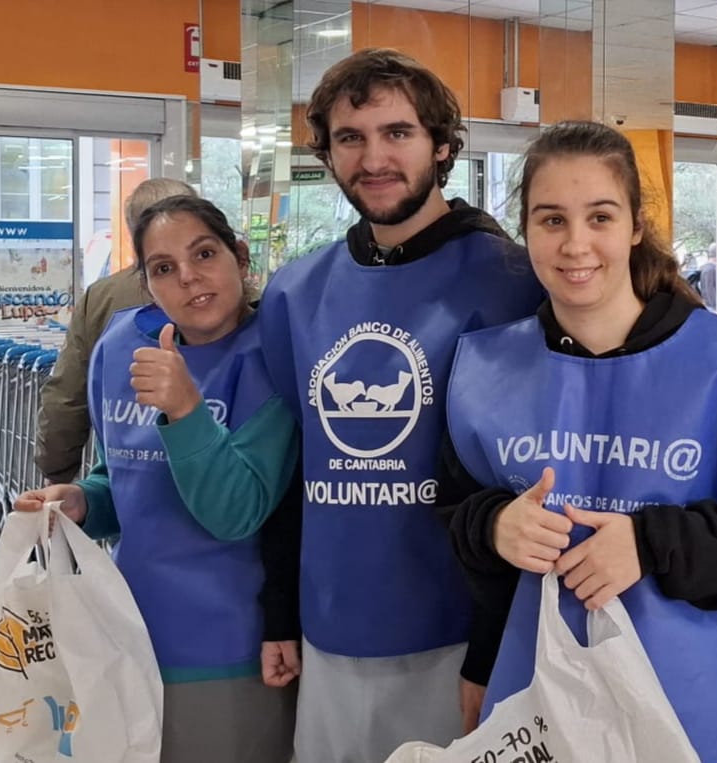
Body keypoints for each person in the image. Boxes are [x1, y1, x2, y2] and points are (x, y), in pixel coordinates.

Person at [438, 121, 717, 763]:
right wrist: (496, 526)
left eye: (600, 217)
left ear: (635, 226)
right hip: (541, 702)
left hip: (701, 700)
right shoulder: (484, 371)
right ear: (525, 230)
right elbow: (456, 510)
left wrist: (650, 544)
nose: (576, 244)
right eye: (551, 219)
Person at [258, 47, 545, 763]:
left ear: (441, 146)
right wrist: (281, 614)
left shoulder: (515, 282)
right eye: (350, 138)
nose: (373, 157)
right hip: (329, 632)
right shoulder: (297, 293)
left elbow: (530, 482)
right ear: (326, 153)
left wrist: (491, 648)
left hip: (455, 632)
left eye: (397, 133)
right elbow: (294, 472)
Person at [15, 196, 299, 763]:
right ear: (146, 284)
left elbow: (236, 511)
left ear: (240, 258)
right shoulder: (121, 347)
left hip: (229, 647)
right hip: (126, 632)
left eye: (204, 253)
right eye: (163, 268)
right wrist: (81, 500)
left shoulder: (274, 359)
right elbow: (123, 474)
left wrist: (187, 409)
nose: (189, 277)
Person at [35, 177, 197, 484]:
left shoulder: (101, 298)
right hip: (213, 458)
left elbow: (67, 398)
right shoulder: (227, 295)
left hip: (126, 469)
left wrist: (56, 471)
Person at [699, 241, 717, 310]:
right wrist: (716, 306)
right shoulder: (710, 269)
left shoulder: (708, 268)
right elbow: (709, 289)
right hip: (712, 307)